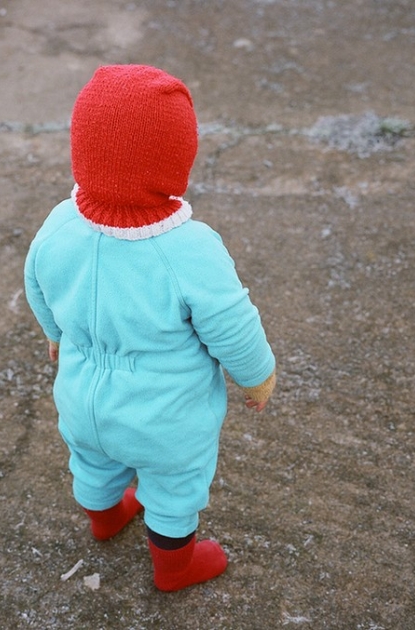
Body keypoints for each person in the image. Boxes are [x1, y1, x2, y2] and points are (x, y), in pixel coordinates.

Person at [24, 64, 276, 592]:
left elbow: (36, 282)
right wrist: (257, 376)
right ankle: (175, 568)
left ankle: (106, 519)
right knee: (174, 490)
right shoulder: (189, 249)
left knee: (92, 465)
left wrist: (54, 333)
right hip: (166, 419)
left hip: (81, 400)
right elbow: (233, 323)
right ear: (177, 160)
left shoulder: (59, 223)